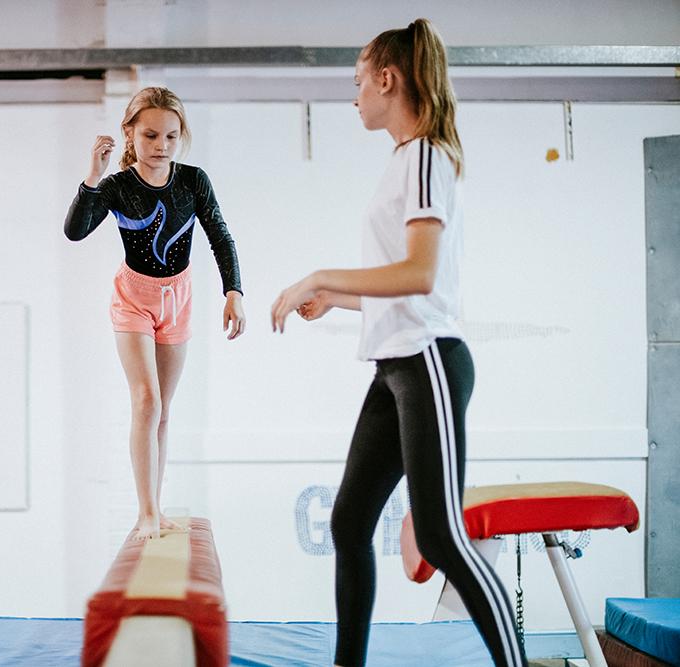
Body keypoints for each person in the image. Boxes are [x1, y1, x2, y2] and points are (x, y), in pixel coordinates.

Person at [270, 19, 527, 667]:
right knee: (350, 524)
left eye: (359, 81)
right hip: (395, 368)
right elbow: (406, 285)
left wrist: (322, 274)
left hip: (430, 361)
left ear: (388, 78)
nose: (354, 95)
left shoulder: (422, 158)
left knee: (443, 538)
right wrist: (340, 299)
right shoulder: (402, 162)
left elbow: (420, 273)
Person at [65, 86, 246, 541]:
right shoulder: (118, 187)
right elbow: (75, 232)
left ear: (180, 135)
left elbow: (220, 236)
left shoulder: (193, 180)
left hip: (177, 298)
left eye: (169, 136)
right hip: (134, 297)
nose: (160, 146)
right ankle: (145, 511)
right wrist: (92, 177)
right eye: (149, 136)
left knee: (163, 410)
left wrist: (234, 291)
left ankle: (157, 506)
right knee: (145, 400)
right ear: (130, 133)